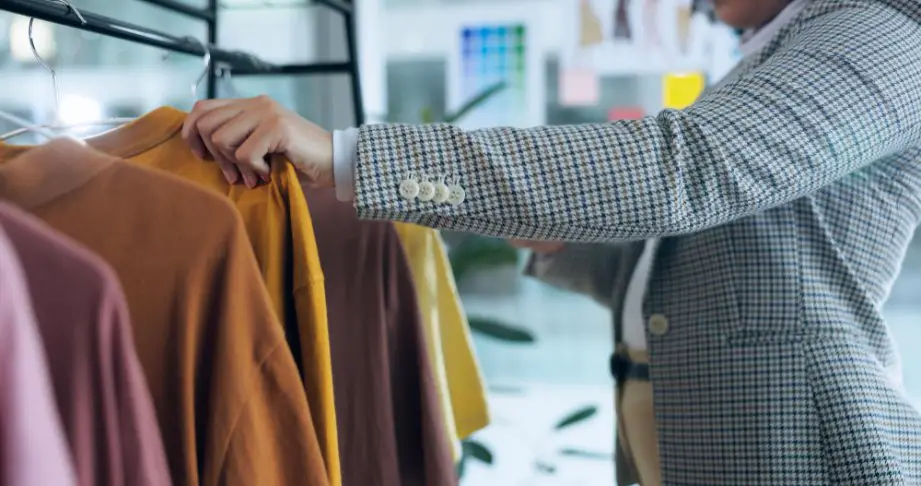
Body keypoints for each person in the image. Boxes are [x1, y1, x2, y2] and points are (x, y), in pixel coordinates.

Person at [181, 0, 921, 483]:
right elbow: (688, 243)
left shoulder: (882, 27)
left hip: (796, 442)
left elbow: (685, 168)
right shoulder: (794, 41)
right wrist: (362, 188)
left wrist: (355, 157)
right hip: (686, 424)